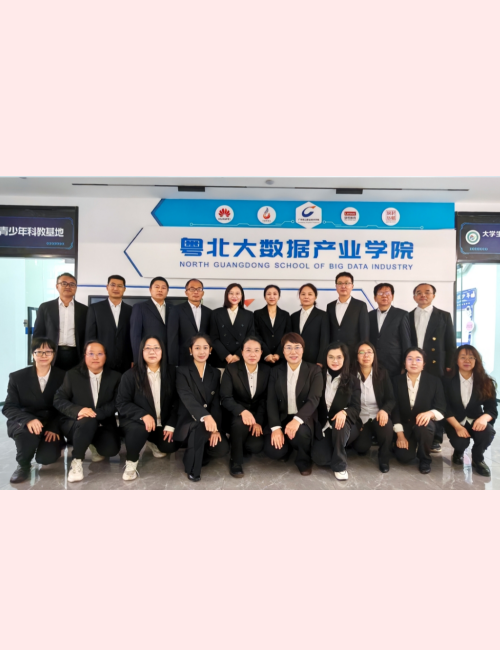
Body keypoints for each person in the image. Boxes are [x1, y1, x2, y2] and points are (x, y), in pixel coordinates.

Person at [54, 340, 122, 483]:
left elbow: (117, 402)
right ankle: (77, 461)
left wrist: (96, 414)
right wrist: (79, 410)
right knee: (87, 421)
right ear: (84, 356)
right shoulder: (72, 375)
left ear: (106, 356)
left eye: (99, 354)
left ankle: (90, 442)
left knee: (111, 450)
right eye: (91, 353)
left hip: (102, 421)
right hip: (76, 423)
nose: (95, 357)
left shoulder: (115, 377)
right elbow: (59, 400)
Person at [2, 337, 66, 484]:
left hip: (50, 422)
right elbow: (9, 407)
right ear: (32, 354)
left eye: (48, 352)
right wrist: (28, 420)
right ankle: (23, 465)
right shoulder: (17, 377)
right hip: (25, 420)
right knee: (27, 434)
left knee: (46, 458)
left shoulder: (63, 376)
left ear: (54, 354)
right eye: (39, 352)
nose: (43, 355)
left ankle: (56, 443)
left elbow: (65, 405)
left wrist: (54, 427)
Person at [116, 337, 178, 481]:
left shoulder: (172, 372)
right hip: (137, 422)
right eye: (147, 348)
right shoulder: (130, 375)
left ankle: (151, 441)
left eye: (156, 348)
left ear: (162, 351)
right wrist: (143, 414)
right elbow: (121, 403)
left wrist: (171, 424)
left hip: (161, 422)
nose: (152, 351)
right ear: (141, 352)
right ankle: (131, 462)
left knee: (170, 446)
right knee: (139, 429)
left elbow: (178, 401)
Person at [264, 332, 323, 476]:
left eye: (297, 347)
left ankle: (304, 461)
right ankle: (287, 448)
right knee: (273, 451)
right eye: (288, 348)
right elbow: (271, 400)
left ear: (303, 349)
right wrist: (276, 428)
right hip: (282, 417)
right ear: (283, 351)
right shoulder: (275, 371)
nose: (293, 352)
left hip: (304, 418)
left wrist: (297, 420)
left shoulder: (314, 370)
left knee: (301, 433)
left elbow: (314, 399)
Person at [408, 283, 455, 452]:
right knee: (414, 397)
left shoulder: (444, 316)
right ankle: (414, 432)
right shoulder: (407, 316)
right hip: (413, 363)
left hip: (436, 365)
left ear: (433, 295)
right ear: (414, 297)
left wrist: (449, 365)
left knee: (437, 400)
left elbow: (450, 343)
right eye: (419, 292)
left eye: (427, 292)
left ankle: (436, 437)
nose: (423, 295)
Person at [175, 335, 230, 481]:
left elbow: (216, 403)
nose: (201, 351)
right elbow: (186, 397)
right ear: (190, 350)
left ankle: (197, 453)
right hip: (188, 420)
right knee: (199, 427)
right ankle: (193, 468)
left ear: (210, 350)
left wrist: (215, 429)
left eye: (205, 348)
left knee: (222, 448)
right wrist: (205, 416)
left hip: (209, 421)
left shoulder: (215, 373)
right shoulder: (182, 371)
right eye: (197, 348)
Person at [443, 344, 497, 477]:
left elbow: (491, 408)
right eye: (463, 357)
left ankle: (478, 459)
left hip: (475, 419)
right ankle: (458, 452)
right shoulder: (446, 380)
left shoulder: (485, 381)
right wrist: (457, 427)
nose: (467, 360)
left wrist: (484, 418)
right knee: (460, 442)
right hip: (454, 420)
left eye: (471, 357)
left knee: (488, 432)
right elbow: (444, 407)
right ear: (456, 360)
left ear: (476, 360)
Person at [220, 337, 271, 478]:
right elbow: (225, 397)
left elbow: (265, 399)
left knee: (255, 446)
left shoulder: (267, 371)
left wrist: (258, 421)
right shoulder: (231, 369)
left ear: (261, 353)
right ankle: (235, 461)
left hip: (256, 414)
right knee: (240, 423)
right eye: (248, 350)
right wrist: (242, 411)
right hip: (235, 414)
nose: (252, 354)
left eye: (256, 350)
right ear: (242, 352)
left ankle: (239, 443)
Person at [392, 347, 447, 474]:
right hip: (404, 425)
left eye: (418, 359)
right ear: (404, 363)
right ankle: (399, 443)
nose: (414, 363)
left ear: (424, 363)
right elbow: (394, 409)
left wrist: (430, 413)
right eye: (409, 359)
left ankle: (425, 459)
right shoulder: (396, 381)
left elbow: (441, 407)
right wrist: (400, 435)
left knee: (424, 427)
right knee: (404, 457)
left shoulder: (434, 381)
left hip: (423, 425)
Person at [310, 342, 361, 480]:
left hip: (346, 424)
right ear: (325, 358)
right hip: (324, 425)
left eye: (339, 357)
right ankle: (339, 446)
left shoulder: (353, 381)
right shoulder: (318, 375)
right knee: (320, 459)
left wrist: (344, 412)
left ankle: (340, 465)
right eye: (331, 357)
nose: (335, 361)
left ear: (345, 359)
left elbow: (356, 408)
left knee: (340, 424)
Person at [349, 341, 396, 473]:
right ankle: (367, 437)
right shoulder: (350, 374)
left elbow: (391, 399)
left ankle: (384, 458)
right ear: (356, 356)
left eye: (369, 352)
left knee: (386, 428)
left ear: (374, 355)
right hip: (360, 417)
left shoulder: (382, 373)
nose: (366, 355)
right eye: (362, 352)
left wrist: (384, 410)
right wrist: (355, 420)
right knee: (361, 448)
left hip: (378, 414)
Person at [33, 272, 88, 371]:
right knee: (54, 380)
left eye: (72, 284)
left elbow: (87, 335)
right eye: (64, 283)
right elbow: (38, 333)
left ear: (76, 288)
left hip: (76, 355)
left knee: (74, 380)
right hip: (51, 353)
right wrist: (37, 354)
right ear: (57, 286)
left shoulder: (84, 309)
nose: (68, 286)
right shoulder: (45, 307)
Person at [85, 275, 133, 374]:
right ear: (107, 287)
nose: (116, 288)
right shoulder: (95, 308)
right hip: (101, 360)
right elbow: (90, 336)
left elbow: (133, 337)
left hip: (125, 362)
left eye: (120, 286)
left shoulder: (131, 310)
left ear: (124, 289)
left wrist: (133, 359)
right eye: (113, 285)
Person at [368, 283, 411, 378]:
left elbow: (406, 341)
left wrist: (405, 363)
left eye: (387, 293)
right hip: (373, 362)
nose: (384, 296)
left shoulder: (401, 314)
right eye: (380, 293)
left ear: (392, 297)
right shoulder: (369, 315)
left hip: (394, 362)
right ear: (375, 298)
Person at [167, 278, 212, 367]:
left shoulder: (209, 312)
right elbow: (172, 338)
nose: (196, 292)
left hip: (204, 360)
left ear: (202, 293)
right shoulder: (176, 310)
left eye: (199, 289)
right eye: (192, 289)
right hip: (183, 359)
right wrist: (173, 362)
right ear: (186, 292)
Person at [210, 283, 255, 368]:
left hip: (241, 359)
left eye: (237, 293)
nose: (234, 296)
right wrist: (226, 355)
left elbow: (250, 338)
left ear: (241, 296)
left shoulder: (249, 315)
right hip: (221, 359)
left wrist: (238, 355)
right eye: (231, 293)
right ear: (226, 295)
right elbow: (213, 338)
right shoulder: (216, 313)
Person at [326, 272, 369, 359]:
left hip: (352, 352)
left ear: (352, 286)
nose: (343, 286)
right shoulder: (330, 306)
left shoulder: (360, 305)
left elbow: (364, 331)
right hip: (334, 352)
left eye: (347, 283)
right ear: (336, 286)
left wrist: (362, 352)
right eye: (340, 283)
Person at [130, 276, 170, 365]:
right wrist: (137, 360)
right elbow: (135, 336)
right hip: (148, 356)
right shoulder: (140, 307)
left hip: (168, 357)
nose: (160, 290)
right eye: (157, 287)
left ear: (167, 291)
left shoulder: (173, 308)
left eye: (163, 288)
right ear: (150, 289)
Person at [290, 283, 329, 365]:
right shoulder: (293, 316)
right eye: (303, 294)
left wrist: (320, 361)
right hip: (295, 359)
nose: (306, 297)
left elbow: (324, 340)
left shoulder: (323, 315)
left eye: (310, 294)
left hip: (314, 361)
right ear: (299, 296)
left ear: (315, 297)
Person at [253, 285, 292, 366]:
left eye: (275, 294)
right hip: (262, 357)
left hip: (281, 358)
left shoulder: (285, 315)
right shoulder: (257, 314)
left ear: (279, 297)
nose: (272, 296)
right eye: (268, 294)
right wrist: (266, 354)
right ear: (265, 297)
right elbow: (256, 335)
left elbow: (287, 335)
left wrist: (278, 353)